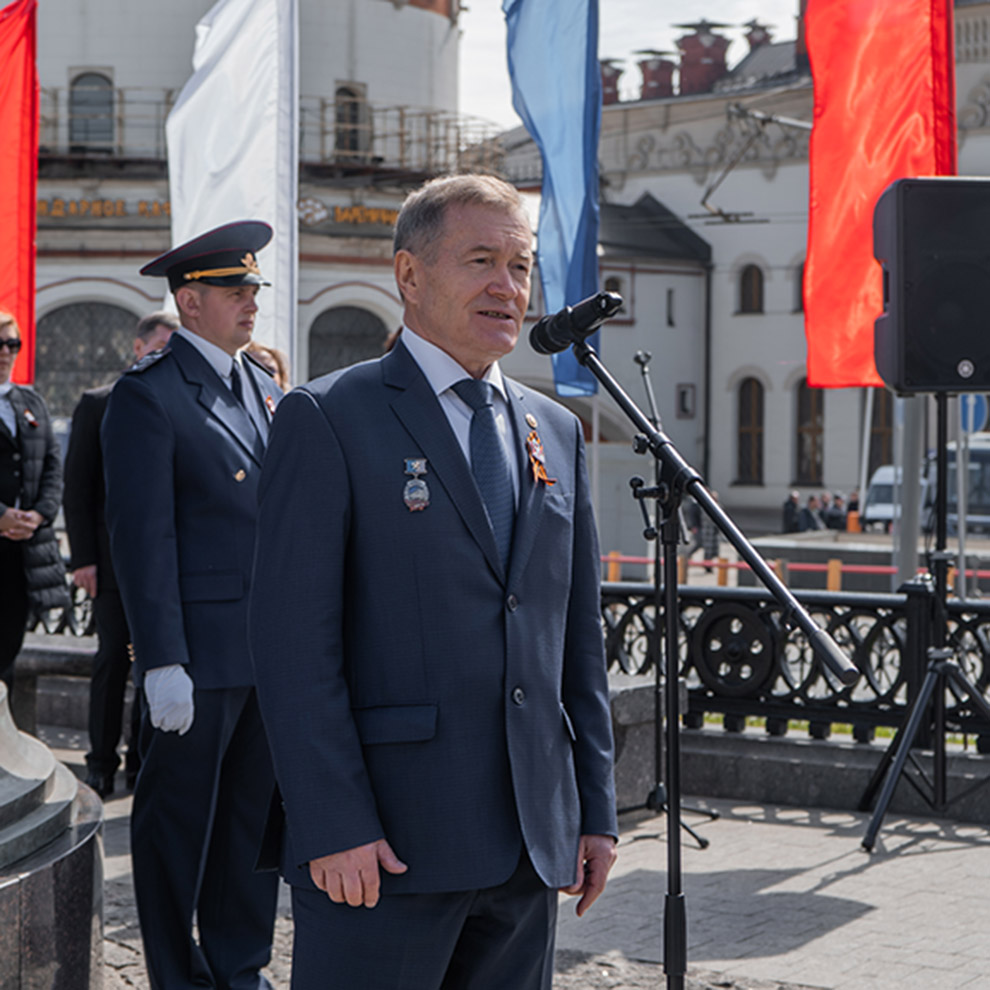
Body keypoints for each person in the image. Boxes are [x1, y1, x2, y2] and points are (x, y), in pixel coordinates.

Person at [249, 174, 618, 990]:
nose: (506, 287)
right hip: (386, 846)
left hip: (529, 845)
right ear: (409, 277)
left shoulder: (553, 428)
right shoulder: (330, 417)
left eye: (520, 266)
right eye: (480, 260)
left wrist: (594, 809)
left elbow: (574, 639)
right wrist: (332, 820)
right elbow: (292, 646)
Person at [101, 222, 282, 990]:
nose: (250, 302)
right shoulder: (150, 396)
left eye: (252, 290)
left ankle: (239, 967)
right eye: (234, 291)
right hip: (199, 656)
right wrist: (162, 659)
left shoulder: (265, 388)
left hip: (265, 651)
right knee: (176, 829)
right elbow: (143, 541)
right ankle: (177, 975)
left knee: (250, 826)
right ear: (190, 301)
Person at [63, 310, 178, 798]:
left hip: (167, 565)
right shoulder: (98, 403)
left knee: (156, 659)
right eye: (158, 348)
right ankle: (100, 762)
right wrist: (82, 559)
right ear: (137, 348)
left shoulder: (179, 402)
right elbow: (78, 486)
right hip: (110, 566)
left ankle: (141, 762)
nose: (164, 358)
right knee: (113, 659)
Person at [0, 311, 70, 693]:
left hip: (25, 549)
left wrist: (39, 514)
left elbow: (52, 466)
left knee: (9, 644)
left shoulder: (30, 401)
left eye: (13, 344)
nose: (5, 352)